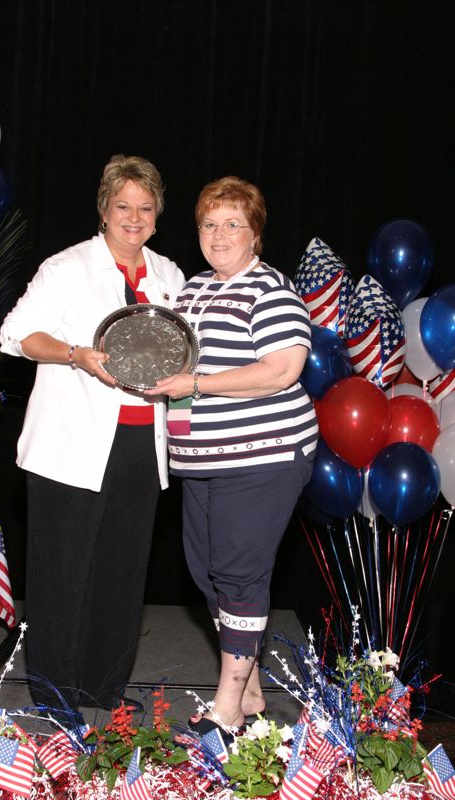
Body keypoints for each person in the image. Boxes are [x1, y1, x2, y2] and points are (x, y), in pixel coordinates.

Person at [0, 154, 185, 713]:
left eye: (145, 207)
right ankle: (55, 692)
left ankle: (103, 686)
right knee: (61, 574)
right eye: (123, 205)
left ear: (157, 216)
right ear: (104, 209)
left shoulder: (170, 276)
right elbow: (15, 334)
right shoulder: (66, 268)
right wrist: (75, 355)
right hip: (70, 446)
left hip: (139, 445)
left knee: (122, 571)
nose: (134, 217)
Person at [147, 176, 318, 734]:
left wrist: (199, 382)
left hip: (263, 454)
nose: (219, 235)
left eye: (232, 224)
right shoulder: (193, 289)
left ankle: (226, 707)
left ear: (256, 234)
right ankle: (251, 693)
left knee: (239, 574)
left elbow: (283, 369)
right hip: (202, 461)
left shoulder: (270, 290)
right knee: (206, 573)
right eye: (209, 224)